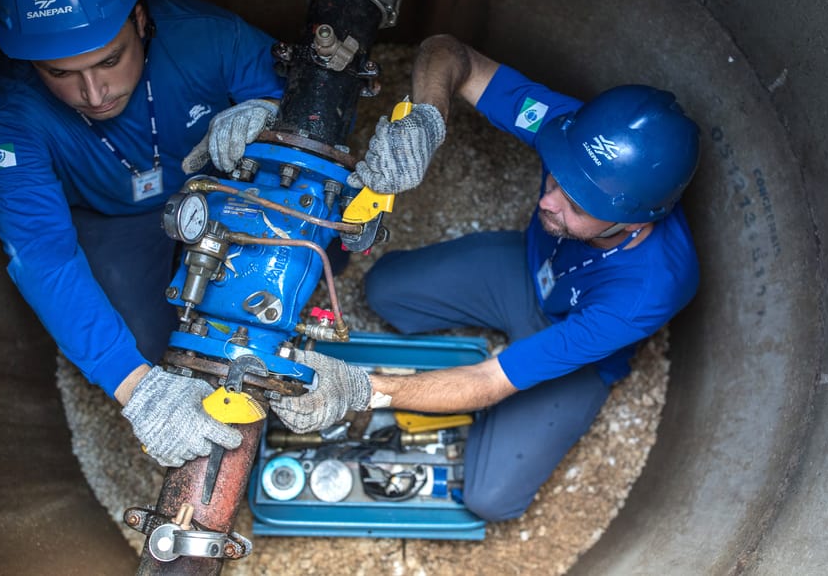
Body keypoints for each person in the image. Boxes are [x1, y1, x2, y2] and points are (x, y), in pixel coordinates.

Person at [270, 34, 702, 522]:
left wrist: (361, 390)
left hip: (577, 338)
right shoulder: (575, 137)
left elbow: (489, 379)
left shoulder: (646, 293)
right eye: (557, 177)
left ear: (635, 221)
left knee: (490, 499)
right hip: (527, 270)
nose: (547, 199)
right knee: (385, 290)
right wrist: (428, 119)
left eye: (576, 205)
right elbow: (449, 53)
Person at [0, 0, 286, 468]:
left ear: (141, 18)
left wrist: (269, 115)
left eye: (109, 60)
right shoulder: (5, 118)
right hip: (114, 220)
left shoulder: (209, 36)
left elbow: (303, 116)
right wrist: (136, 386)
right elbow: (43, 255)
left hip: (218, 189)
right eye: (59, 73)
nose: (93, 93)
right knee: (148, 353)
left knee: (287, 280)